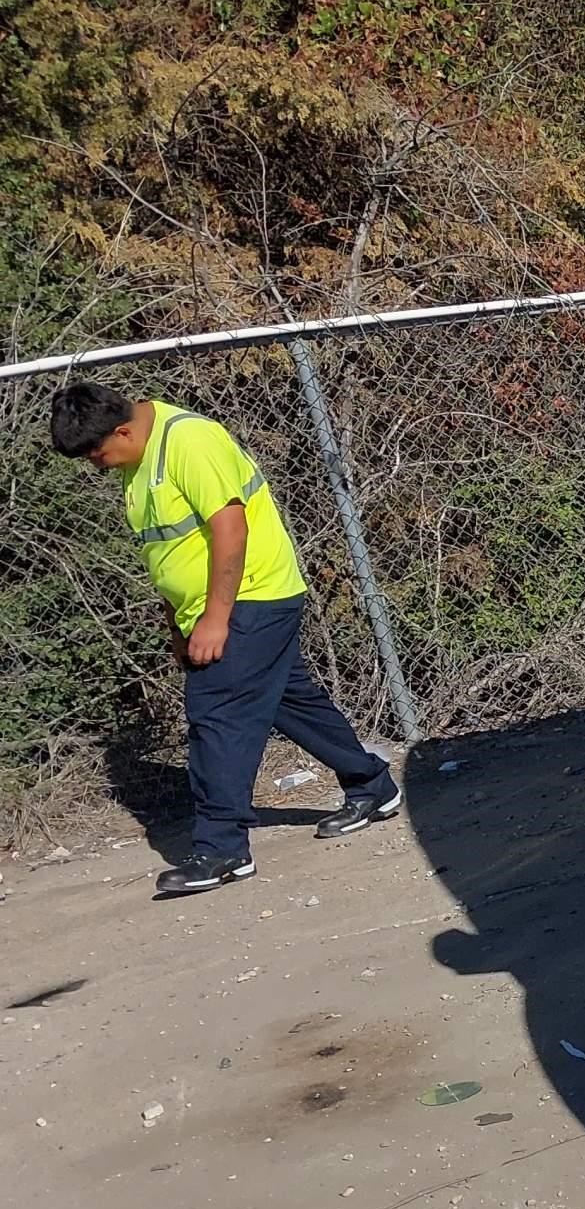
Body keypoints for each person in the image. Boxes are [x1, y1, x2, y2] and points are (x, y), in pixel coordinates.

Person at [50, 379, 402, 896]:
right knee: (288, 700)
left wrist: (216, 618)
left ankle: (220, 849)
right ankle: (372, 785)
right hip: (211, 610)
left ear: (123, 429)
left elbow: (229, 529)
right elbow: (167, 555)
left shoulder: (190, 442)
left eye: (98, 454)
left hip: (251, 598)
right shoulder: (135, 463)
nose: (97, 466)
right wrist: (179, 624)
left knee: (216, 718)